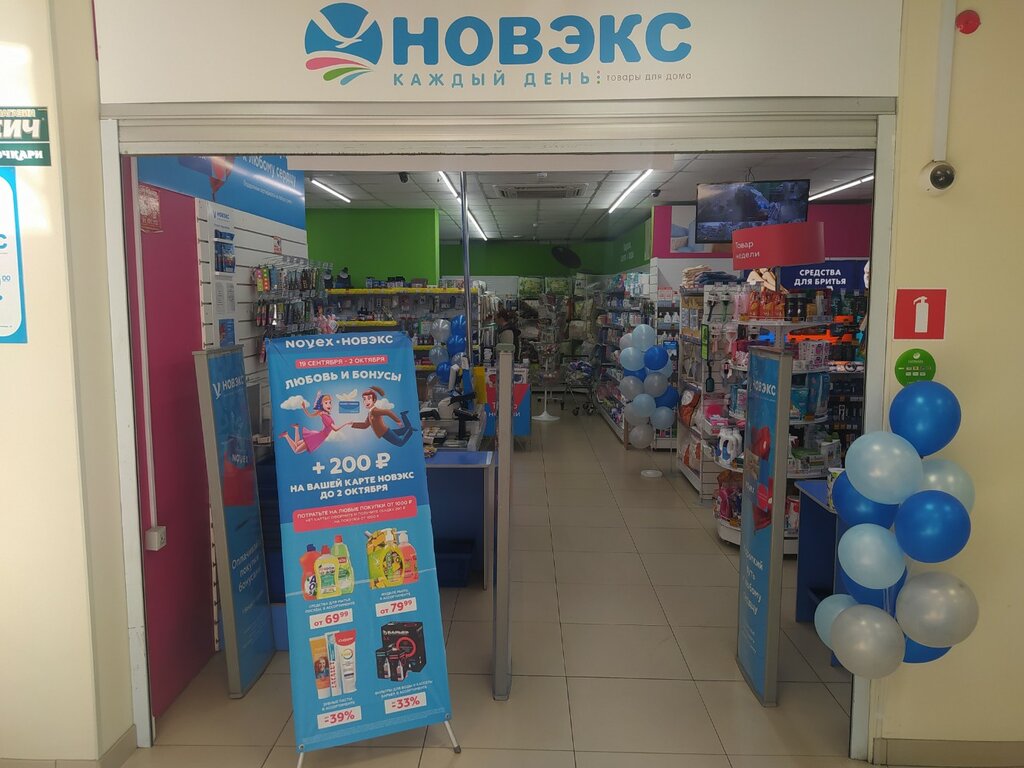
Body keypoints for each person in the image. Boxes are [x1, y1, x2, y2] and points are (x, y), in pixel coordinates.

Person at [344, 386, 417, 447]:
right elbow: (365, 425)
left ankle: (410, 430)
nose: (366, 401)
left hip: (386, 433)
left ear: (374, 400)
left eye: (369, 398)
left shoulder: (375, 411)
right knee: (402, 431)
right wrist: (353, 424)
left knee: (400, 443)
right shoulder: (370, 413)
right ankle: (404, 416)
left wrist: (397, 421)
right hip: (385, 432)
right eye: (364, 399)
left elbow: (388, 412)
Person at [279, 391, 344, 454]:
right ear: (322, 405)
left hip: (318, 436)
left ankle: (296, 428)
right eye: (326, 403)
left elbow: (314, 408)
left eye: (330, 402)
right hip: (317, 437)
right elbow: (335, 429)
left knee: (297, 443)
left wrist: (318, 396)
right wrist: (346, 423)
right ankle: (286, 435)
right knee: (296, 451)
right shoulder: (323, 415)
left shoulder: (324, 413)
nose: (329, 405)